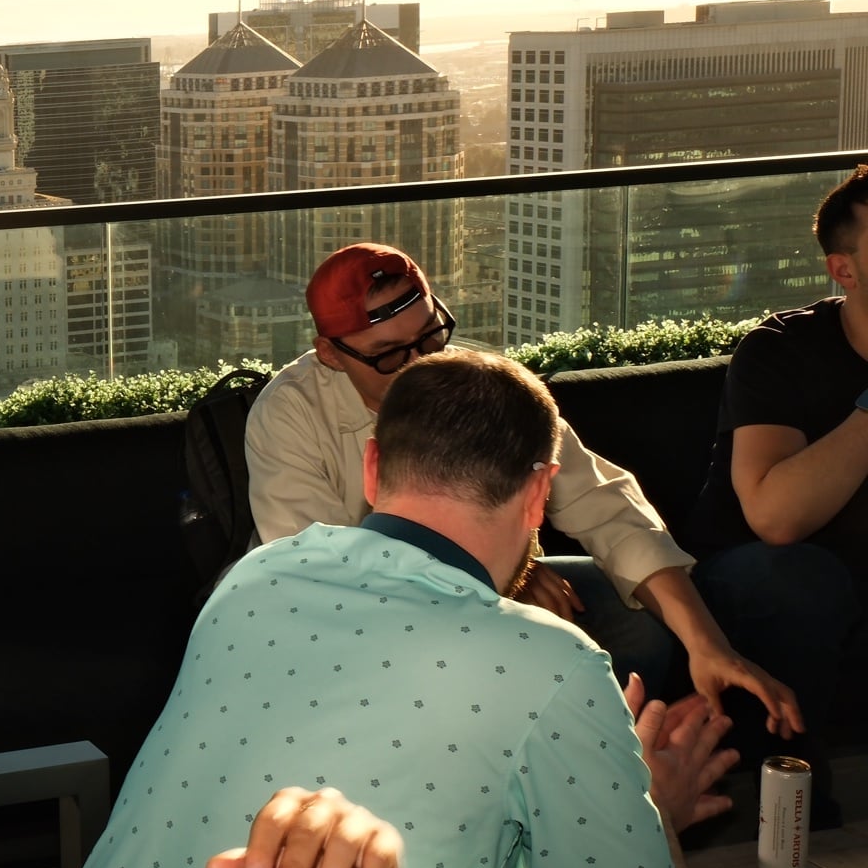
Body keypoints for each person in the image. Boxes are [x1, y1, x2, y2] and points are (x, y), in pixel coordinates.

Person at [23, 350, 781, 868]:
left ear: (374, 465)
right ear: (539, 493)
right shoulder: (550, 663)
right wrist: (653, 817)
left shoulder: (254, 577)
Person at [245, 243, 802, 754]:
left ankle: (602, 786)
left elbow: (607, 508)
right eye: (390, 355)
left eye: (431, 337)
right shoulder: (289, 415)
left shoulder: (480, 385)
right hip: (358, 622)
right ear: (331, 354)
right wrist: (487, 577)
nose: (421, 365)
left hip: (492, 584)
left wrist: (708, 644)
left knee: (639, 628)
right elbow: (323, 576)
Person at [686, 163, 868, 822]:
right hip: (748, 580)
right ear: (843, 270)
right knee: (797, 578)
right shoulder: (780, 349)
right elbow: (775, 518)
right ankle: (792, 796)